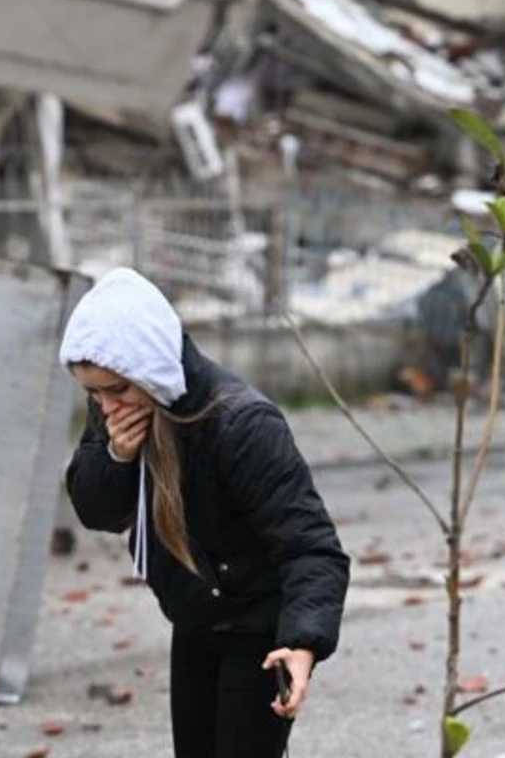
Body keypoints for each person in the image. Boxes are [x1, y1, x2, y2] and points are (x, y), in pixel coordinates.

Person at [59, 268, 350, 758]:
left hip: (259, 629)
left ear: (149, 370)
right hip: (195, 617)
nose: (107, 407)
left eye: (115, 391)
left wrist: (303, 643)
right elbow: (97, 511)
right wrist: (117, 458)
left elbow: (311, 545)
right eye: (94, 395)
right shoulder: (119, 409)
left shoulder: (242, 423)